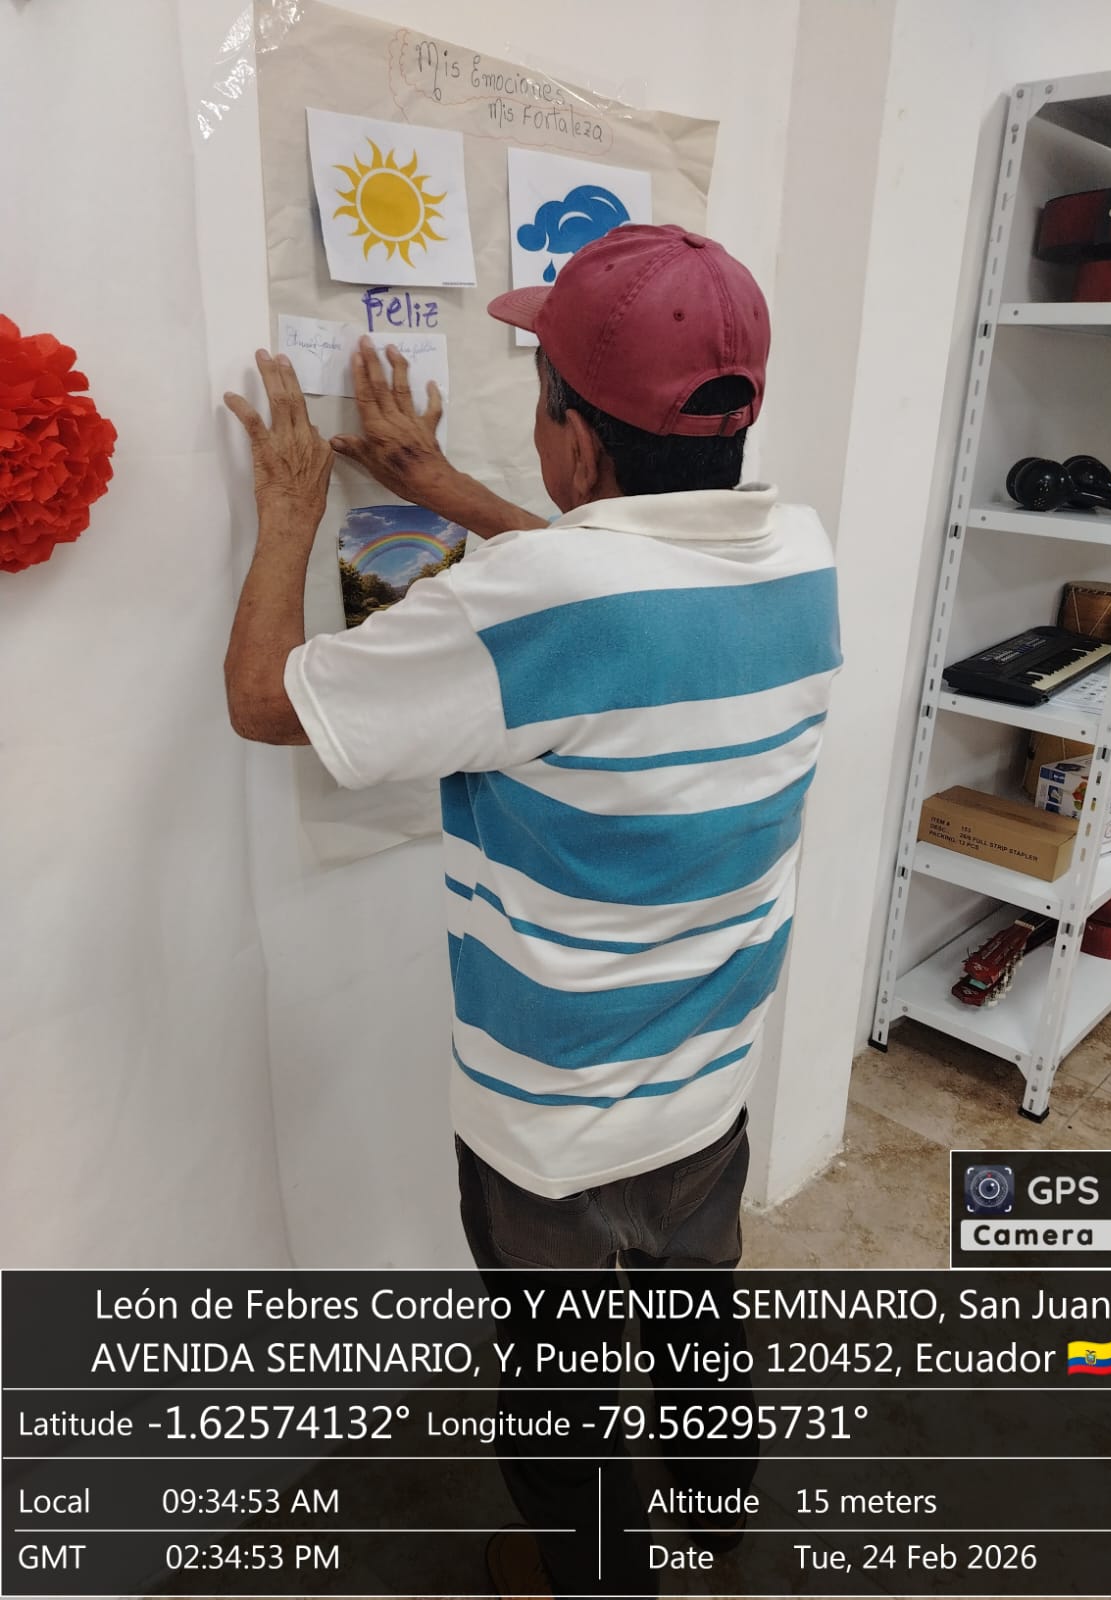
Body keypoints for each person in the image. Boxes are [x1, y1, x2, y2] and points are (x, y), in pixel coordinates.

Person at [224, 223, 841, 1599]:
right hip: (708, 1073)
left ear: (570, 436)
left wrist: (288, 509)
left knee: (560, 1396)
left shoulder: (535, 594)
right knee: (695, 1327)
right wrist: (445, 488)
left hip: (549, 1120)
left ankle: (598, 1582)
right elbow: (618, 585)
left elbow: (266, 702)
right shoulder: (798, 551)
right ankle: (712, 1524)